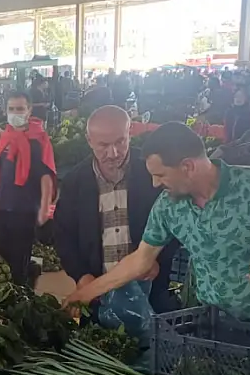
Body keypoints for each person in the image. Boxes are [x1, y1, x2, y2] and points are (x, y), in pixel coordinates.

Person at [64, 122, 250, 328]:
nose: (155, 183)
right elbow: (140, 260)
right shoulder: (168, 206)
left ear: (187, 166)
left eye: (161, 175)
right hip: (211, 321)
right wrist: (85, 293)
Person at [53, 106, 179, 313]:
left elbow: (175, 224)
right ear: (89, 140)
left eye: (120, 142)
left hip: (151, 290)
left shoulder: (152, 172)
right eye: (103, 145)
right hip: (97, 293)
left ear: (130, 133)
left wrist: (157, 260)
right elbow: (63, 235)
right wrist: (82, 276)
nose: (113, 153)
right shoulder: (74, 182)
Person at [0, 91, 56, 286]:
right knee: (2, 252)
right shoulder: (7, 136)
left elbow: (46, 175)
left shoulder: (39, 140)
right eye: (11, 109)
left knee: (19, 259)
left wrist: (44, 207)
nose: (15, 113)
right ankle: (30, 274)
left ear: (29, 110)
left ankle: (22, 291)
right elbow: (0, 169)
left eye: (20, 109)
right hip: (4, 205)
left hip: (26, 208)